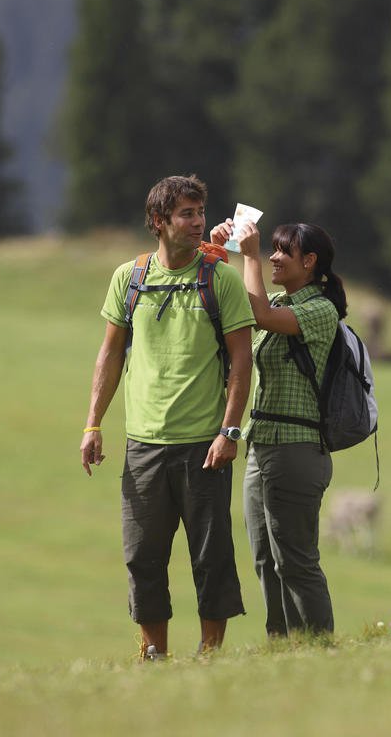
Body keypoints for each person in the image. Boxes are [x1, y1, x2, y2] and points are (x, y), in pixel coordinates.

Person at [79, 174, 255, 658]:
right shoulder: (129, 278)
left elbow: (243, 360)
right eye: (186, 214)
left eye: (200, 212)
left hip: (205, 445)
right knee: (142, 556)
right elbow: (109, 355)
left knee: (211, 554)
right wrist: (93, 423)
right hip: (143, 445)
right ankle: (153, 653)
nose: (198, 222)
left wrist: (230, 430)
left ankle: (210, 653)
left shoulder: (220, 278)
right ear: (159, 221)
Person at [209, 218, 344, 637]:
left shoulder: (321, 310)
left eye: (283, 251)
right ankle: (282, 644)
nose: (272, 257)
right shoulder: (285, 303)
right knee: (265, 557)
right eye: (269, 250)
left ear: (310, 261)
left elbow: (259, 314)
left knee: (296, 559)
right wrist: (216, 257)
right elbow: (236, 312)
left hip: (297, 448)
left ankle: (317, 645)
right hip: (262, 445)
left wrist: (247, 256)